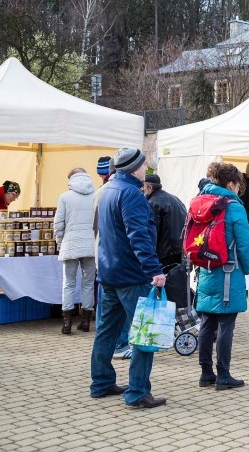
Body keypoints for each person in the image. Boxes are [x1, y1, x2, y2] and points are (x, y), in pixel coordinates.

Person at [90, 147, 167, 408]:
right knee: (144, 334)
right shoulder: (132, 194)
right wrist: (154, 270)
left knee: (106, 330)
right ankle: (137, 392)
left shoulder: (107, 190)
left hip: (108, 272)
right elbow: (138, 236)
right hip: (132, 275)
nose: (147, 169)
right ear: (135, 168)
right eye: (144, 165)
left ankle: (100, 383)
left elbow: (100, 232)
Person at [196, 163, 249, 390]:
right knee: (226, 324)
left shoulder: (201, 201)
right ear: (231, 183)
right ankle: (223, 375)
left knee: (207, 323)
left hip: (205, 269)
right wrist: (248, 269)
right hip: (229, 272)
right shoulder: (233, 206)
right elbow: (244, 244)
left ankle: (205, 373)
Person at [93, 159, 132, 360]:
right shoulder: (127, 193)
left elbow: (94, 227)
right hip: (121, 263)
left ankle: (101, 377)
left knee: (106, 316)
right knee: (123, 309)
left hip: (104, 259)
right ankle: (120, 343)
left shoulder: (102, 192)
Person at [53, 168, 96, 334]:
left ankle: (67, 323)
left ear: (70, 179)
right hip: (90, 246)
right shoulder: (96, 195)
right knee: (88, 283)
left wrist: (60, 242)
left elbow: (58, 224)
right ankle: (85, 321)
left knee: (68, 283)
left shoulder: (65, 197)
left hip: (70, 244)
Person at [143, 174, 187, 270]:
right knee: (176, 282)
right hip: (180, 251)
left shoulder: (152, 203)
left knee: (164, 283)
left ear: (150, 188)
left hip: (164, 254)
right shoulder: (175, 198)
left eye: (143, 187)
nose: (142, 190)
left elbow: (152, 231)